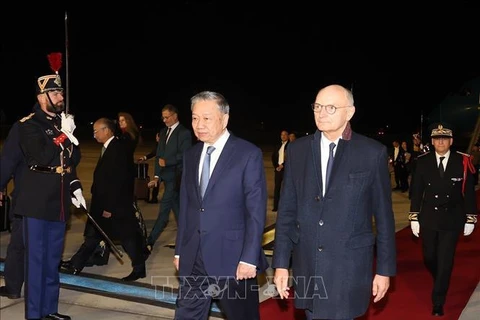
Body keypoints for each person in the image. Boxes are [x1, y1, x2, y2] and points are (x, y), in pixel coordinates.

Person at [272, 84, 397, 320]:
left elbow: (384, 217)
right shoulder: (297, 151)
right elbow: (287, 211)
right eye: (317, 107)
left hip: (348, 266)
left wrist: (384, 270)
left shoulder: (372, 153)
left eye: (331, 107)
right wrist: (280, 263)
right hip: (308, 263)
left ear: (349, 112)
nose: (321, 113)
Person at [173, 91, 269, 320]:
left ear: (224, 119)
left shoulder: (248, 154)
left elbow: (255, 211)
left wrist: (249, 257)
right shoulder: (191, 154)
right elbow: (186, 206)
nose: (199, 125)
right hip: (194, 255)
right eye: (195, 118)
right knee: (186, 315)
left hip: (233, 259)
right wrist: (180, 250)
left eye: (206, 118)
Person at [14, 57, 86, 320]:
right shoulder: (29, 125)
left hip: (58, 200)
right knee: (36, 262)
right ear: (41, 96)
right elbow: (42, 156)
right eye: (55, 92)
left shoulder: (60, 123)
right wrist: (63, 136)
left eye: (61, 92)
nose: (60, 96)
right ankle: (34, 314)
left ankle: (49, 309)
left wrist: (75, 186)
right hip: (35, 201)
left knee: (52, 260)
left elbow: (71, 161)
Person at [61, 118, 147, 281]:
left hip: (114, 205)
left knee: (127, 238)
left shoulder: (118, 150)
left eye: (96, 131)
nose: (94, 135)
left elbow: (119, 181)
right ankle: (75, 264)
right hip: (104, 203)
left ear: (106, 131)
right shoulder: (109, 148)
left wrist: (110, 207)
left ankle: (139, 268)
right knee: (93, 236)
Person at [408, 123, 477, 316]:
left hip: (452, 219)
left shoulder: (462, 161)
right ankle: (441, 276)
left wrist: (470, 218)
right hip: (429, 218)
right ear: (432, 141)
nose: (440, 142)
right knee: (429, 256)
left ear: (451, 141)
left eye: (444, 138)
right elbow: (417, 192)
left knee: (446, 261)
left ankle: (438, 300)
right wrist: (414, 216)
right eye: (437, 139)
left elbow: (469, 193)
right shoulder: (422, 161)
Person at [146, 104, 192, 250]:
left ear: (175, 116)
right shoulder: (163, 132)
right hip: (166, 177)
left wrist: (168, 161)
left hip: (176, 177)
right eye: (163, 117)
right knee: (177, 209)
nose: (164, 120)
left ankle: (150, 241)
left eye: (167, 117)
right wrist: (156, 176)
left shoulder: (184, 133)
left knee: (164, 209)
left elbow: (186, 154)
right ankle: (189, 238)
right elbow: (159, 155)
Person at [138, 131, 161, 203]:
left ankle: (154, 198)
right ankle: (154, 198)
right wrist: (145, 157)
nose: (156, 138)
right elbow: (153, 153)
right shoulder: (159, 144)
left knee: (157, 182)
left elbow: (154, 153)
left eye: (157, 137)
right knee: (157, 183)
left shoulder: (162, 145)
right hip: (160, 166)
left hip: (162, 167)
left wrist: (145, 157)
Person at [271, 130, 289, 211]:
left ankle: (285, 207)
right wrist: (276, 166)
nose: (283, 136)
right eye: (282, 135)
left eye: (285, 135)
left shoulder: (290, 146)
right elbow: (273, 157)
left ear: (288, 136)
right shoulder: (278, 145)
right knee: (277, 188)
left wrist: (283, 165)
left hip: (286, 170)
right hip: (278, 170)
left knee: (286, 189)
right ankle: (276, 206)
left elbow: (290, 158)